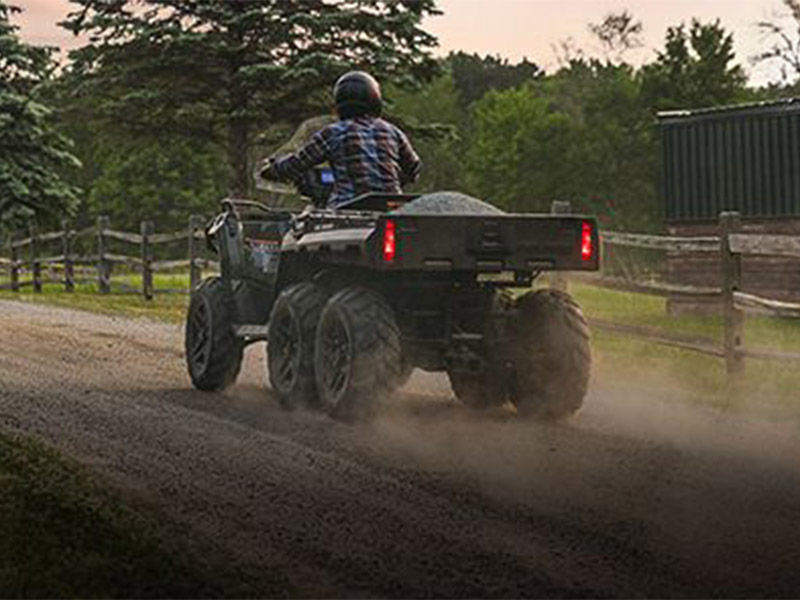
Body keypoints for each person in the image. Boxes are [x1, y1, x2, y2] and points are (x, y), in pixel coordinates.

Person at [260, 71, 421, 208]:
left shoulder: (333, 132)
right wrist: (395, 180)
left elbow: (298, 163)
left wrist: (272, 170)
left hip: (348, 207)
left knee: (301, 231)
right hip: (391, 208)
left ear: (339, 103)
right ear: (375, 99)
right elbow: (414, 167)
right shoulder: (393, 131)